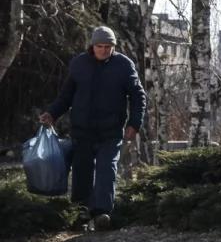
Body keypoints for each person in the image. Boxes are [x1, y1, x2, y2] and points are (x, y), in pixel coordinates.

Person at [40, 26, 145, 230]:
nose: (104, 50)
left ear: (113, 47)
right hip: (83, 130)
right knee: (82, 171)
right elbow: (66, 95)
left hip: (111, 130)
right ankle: (81, 212)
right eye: (100, 46)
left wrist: (134, 123)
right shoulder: (79, 64)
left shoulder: (124, 65)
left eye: (108, 47)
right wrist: (52, 113)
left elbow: (138, 96)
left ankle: (102, 214)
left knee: (107, 169)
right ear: (92, 46)